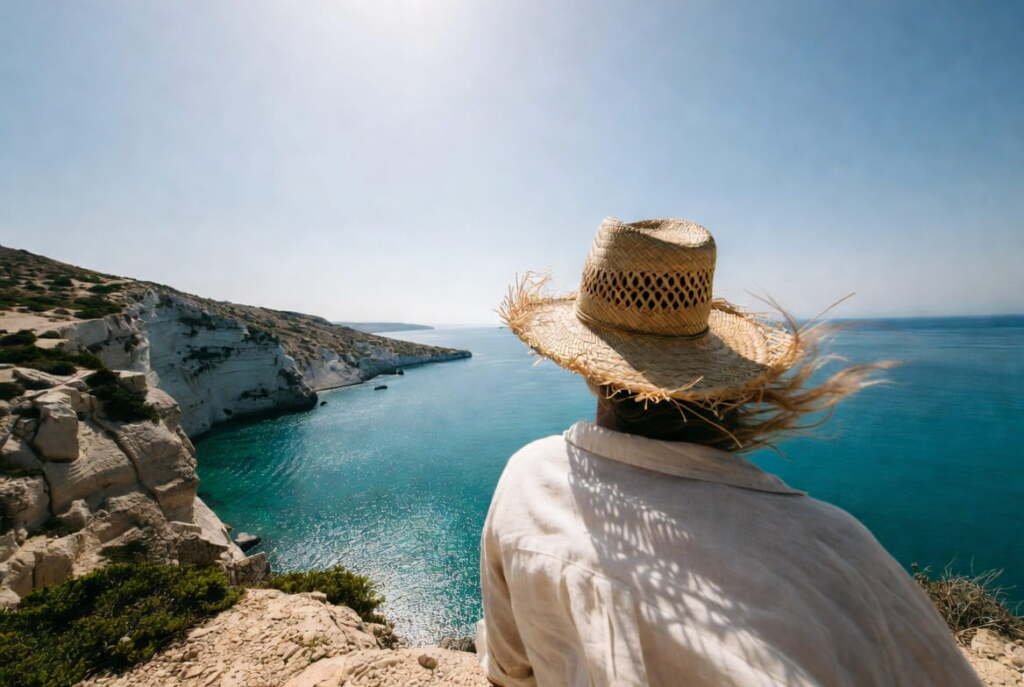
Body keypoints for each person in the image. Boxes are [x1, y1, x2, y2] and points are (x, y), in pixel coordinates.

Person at [476, 218, 981, 687]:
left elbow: (509, 671)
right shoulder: (840, 550)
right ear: (719, 375)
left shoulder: (531, 480)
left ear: (588, 367)